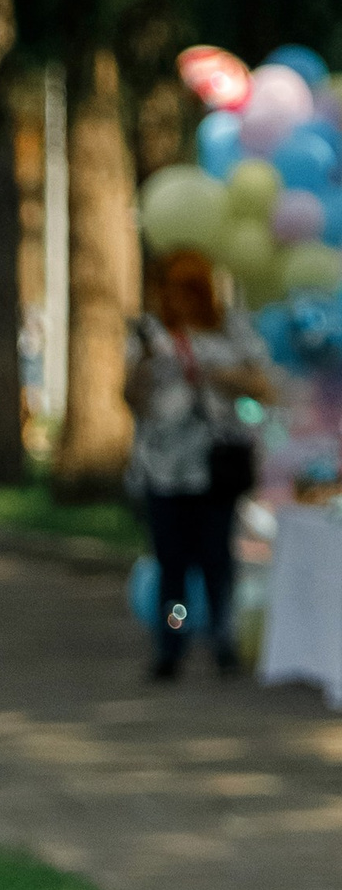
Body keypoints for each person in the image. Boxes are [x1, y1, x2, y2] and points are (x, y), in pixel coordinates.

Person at [125, 248, 267, 680]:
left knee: (216, 559)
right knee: (172, 564)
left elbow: (263, 384)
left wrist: (211, 371)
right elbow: (129, 398)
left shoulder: (230, 332)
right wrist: (146, 365)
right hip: (162, 467)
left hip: (214, 466)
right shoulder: (149, 334)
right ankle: (173, 639)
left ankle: (223, 640)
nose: (180, 299)